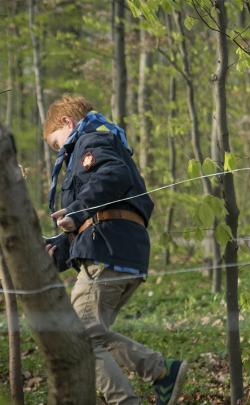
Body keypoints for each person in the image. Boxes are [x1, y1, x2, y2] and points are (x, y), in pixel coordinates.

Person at [43, 95, 187, 405]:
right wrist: (54, 250)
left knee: (79, 338)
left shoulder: (91, 140)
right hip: (118, 251)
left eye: (58, 145)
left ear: (67, 123)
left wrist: (78, 209)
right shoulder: (98, 143)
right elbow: (88, 218)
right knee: (93, 334)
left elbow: (113, 178)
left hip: (106, 251)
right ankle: (162, 372)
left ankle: (137, 390)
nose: (61, 153)